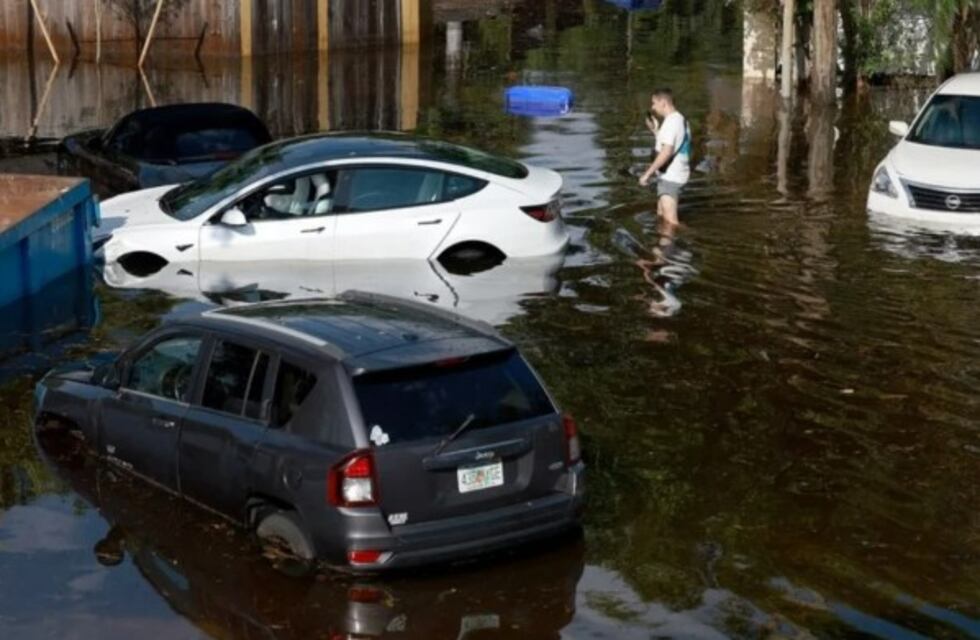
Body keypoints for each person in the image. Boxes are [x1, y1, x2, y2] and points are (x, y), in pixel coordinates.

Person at [638, 88, 691, 227]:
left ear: (663, 102)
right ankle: (663, 246)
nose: (652, 107)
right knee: (661, 216)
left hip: (670, 177)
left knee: (670, 223)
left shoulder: (671, 123)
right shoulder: (680, 119)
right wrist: (656, 131)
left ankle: (686, 243)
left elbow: (667, 152)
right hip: (673, 175)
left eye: (654, 103)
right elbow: (668, 146)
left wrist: (647, 174)